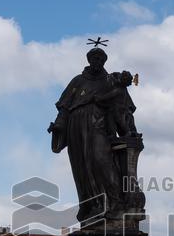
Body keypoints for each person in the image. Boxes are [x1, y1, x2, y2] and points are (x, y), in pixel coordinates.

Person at [49, 47, 137, 223]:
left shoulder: (111, 80)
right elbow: (64, 106)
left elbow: (123, 107)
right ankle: (92, 205)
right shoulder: (78, 81)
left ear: (104, 61)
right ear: (89, 60)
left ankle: (114, 204)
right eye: (93, 58)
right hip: (76, 126)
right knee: (81, 166)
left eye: (100, 58)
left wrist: (130, 130)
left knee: (101, 161)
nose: (97, 61)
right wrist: (59, 124)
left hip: (99, 124)